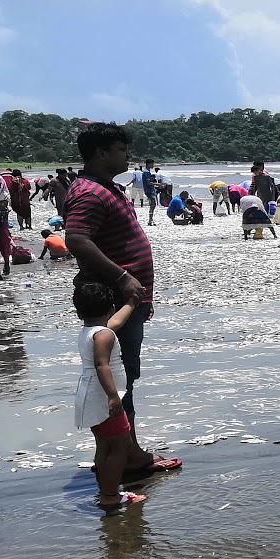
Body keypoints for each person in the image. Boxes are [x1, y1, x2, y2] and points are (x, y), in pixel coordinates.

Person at [64, 122, 180, 482]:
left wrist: (141, 293)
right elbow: (77, 240)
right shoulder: (89, 192)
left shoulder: (106, 187)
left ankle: (125, 450)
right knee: (121, 379)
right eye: (120, 149)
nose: (127, 155)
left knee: (126, 375)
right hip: (115, 302)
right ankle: (126, 456)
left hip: (129, 300)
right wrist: (123, 277)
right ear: (101, 154)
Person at [73, 279, 148, 510]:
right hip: (105, 399)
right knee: (120, 446)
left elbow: (114, 322)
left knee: (104, 447)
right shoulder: (104, 336)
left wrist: (133, 303)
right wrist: (114, 396)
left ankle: (106, 491)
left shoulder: (91, 331)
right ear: (110, 308)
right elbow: (101, 365)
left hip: (90, 399)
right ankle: (110, 495)